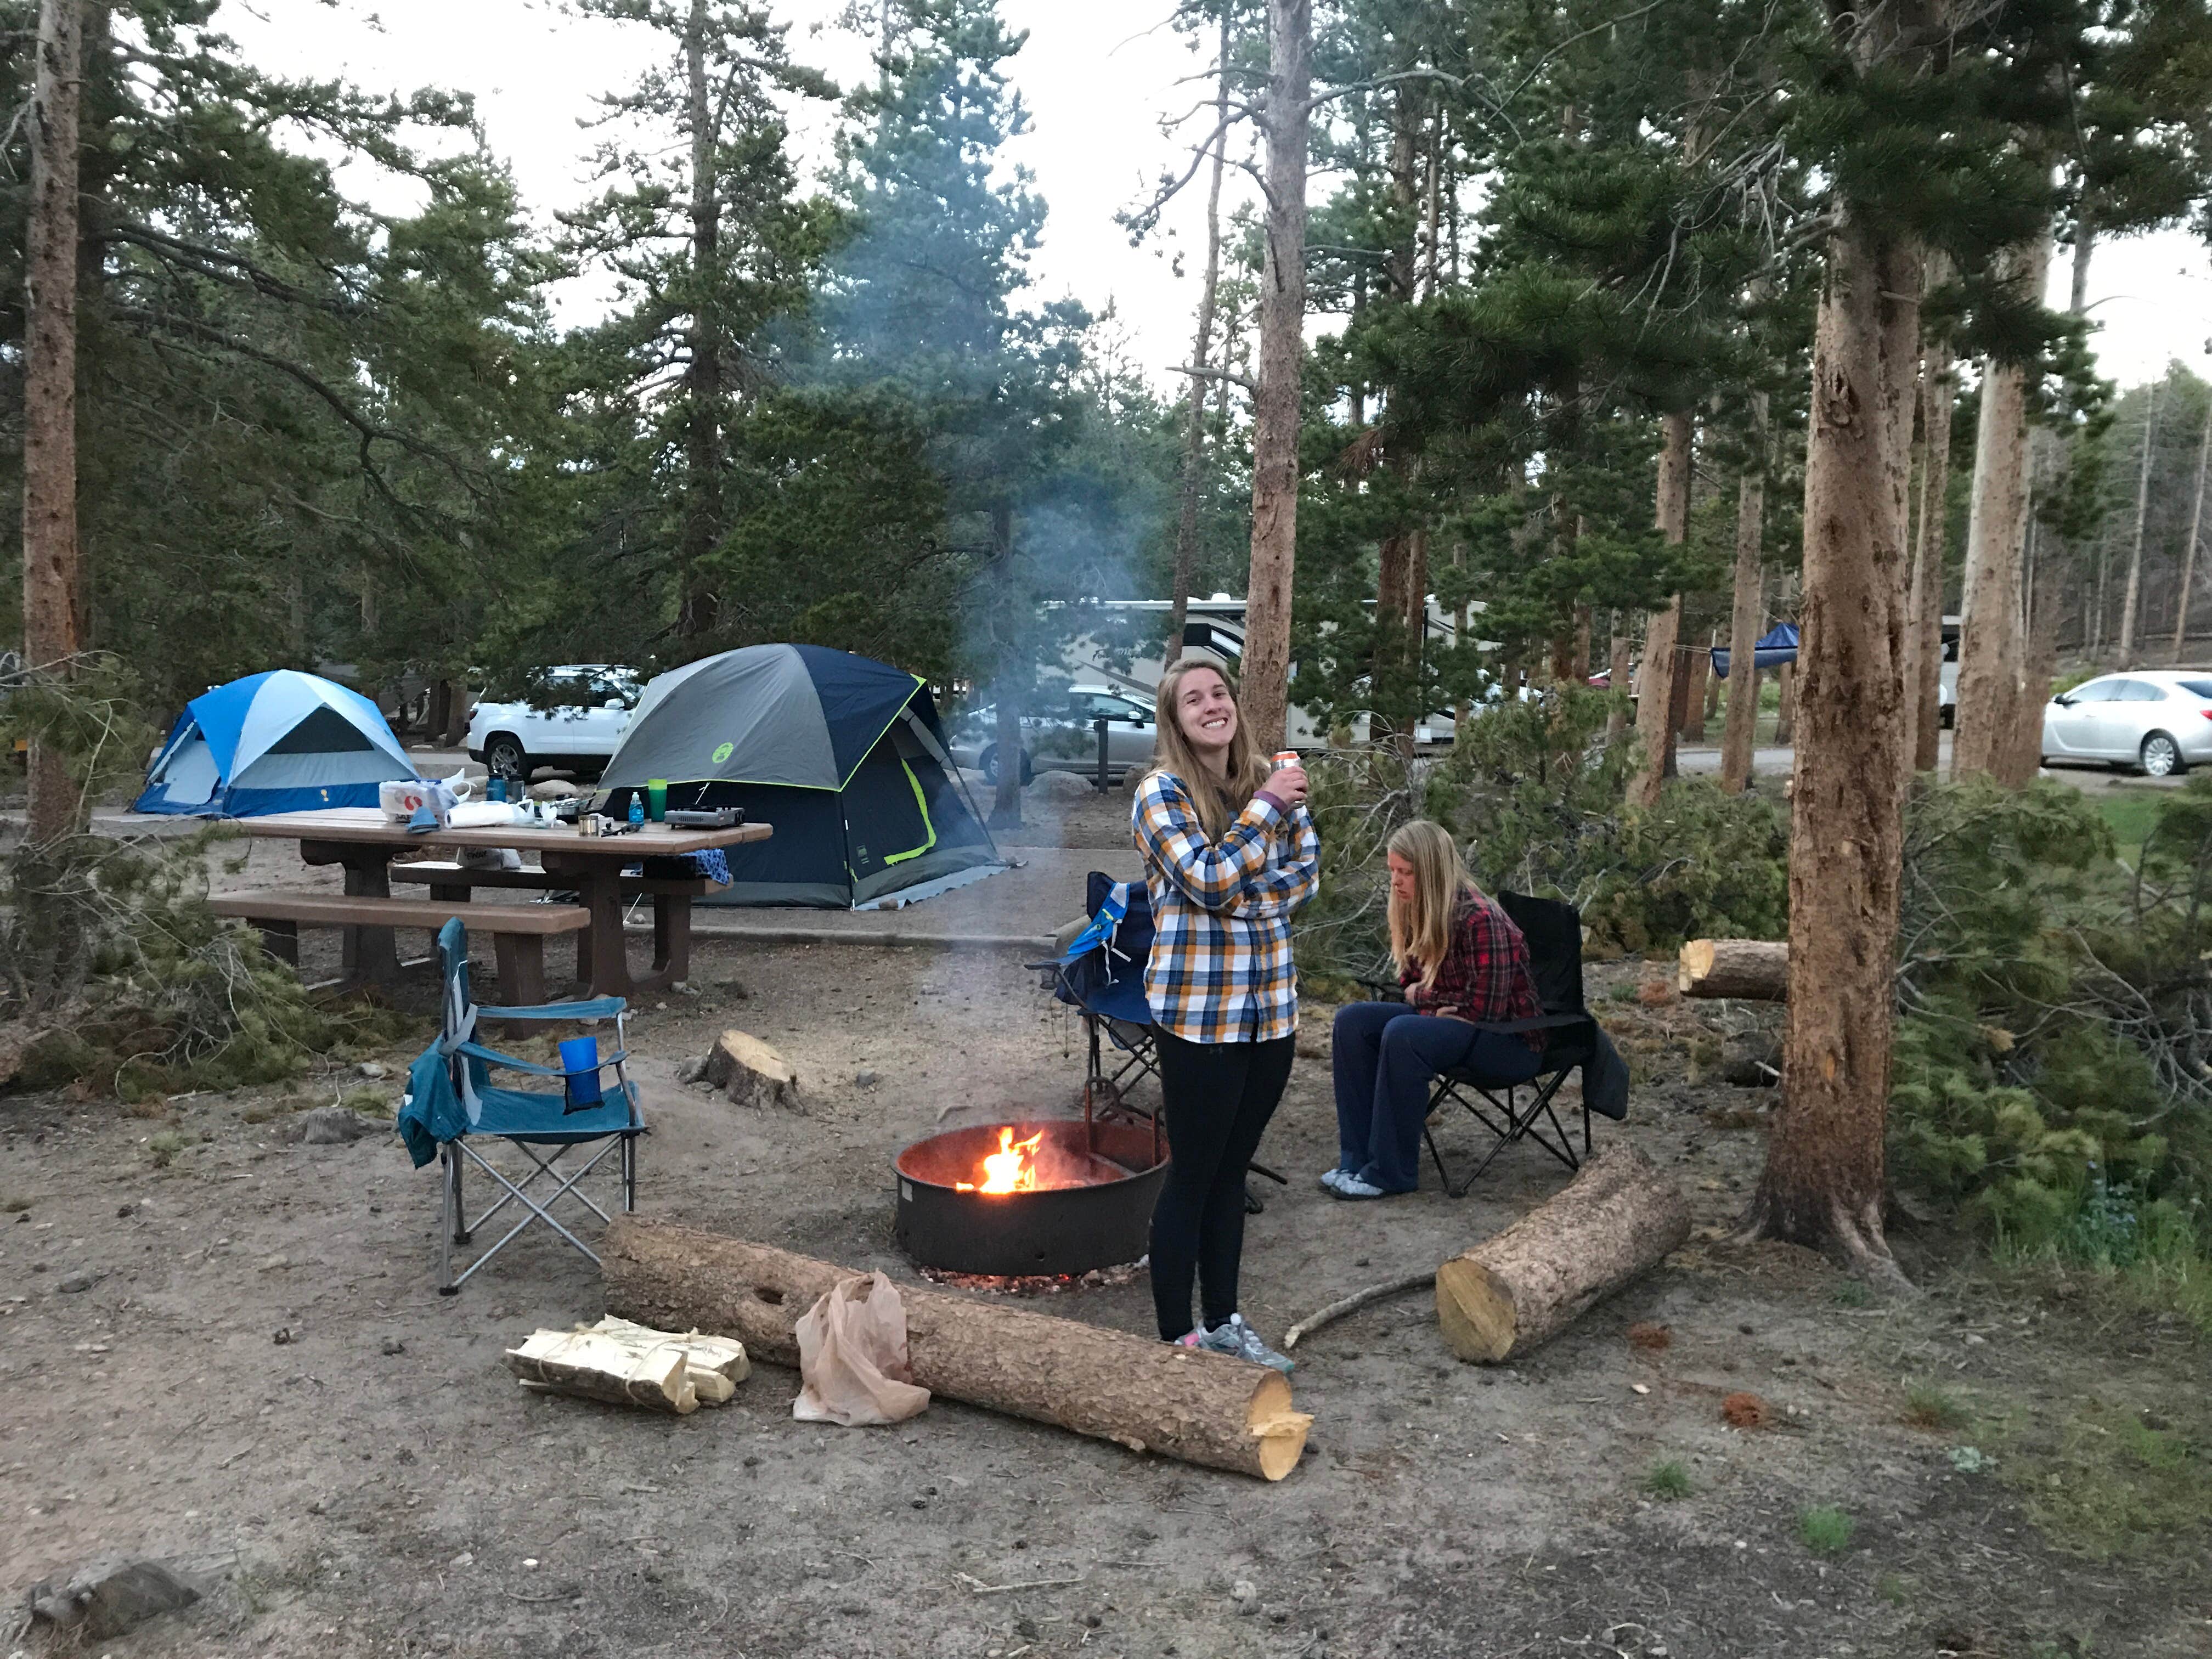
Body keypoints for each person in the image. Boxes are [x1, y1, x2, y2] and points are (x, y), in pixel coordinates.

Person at [1132, 658, 1318, 1373]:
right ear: (1175, 720)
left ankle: (1225, 1322)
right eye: (1194, 700)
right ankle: (1178, 1342)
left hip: (1270, 1013)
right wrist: (1266, 809)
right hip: (1199, 1020)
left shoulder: (1265, 776)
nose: (1212, 706)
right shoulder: (1161, 793)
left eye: (1219, 693)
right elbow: (1208, 881)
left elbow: (1305, 876)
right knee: (1195, 1174)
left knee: (1232, 1173)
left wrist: (1241, 890)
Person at [1325, 820, 1544, 1199]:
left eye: (1406, 873)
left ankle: (1390, 1174)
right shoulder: (1417, 910)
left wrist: (1426, 1003)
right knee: (1352, 1022)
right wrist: (1435, 1006)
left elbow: (1484, 1010)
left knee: (1404, 1034)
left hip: (1508, 1044)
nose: (1396, 881)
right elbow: (1410, 982)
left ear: (1432, 872)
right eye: (1392, 871)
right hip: (1453, 1029)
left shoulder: (1480, 918)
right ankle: (1356, 1161)